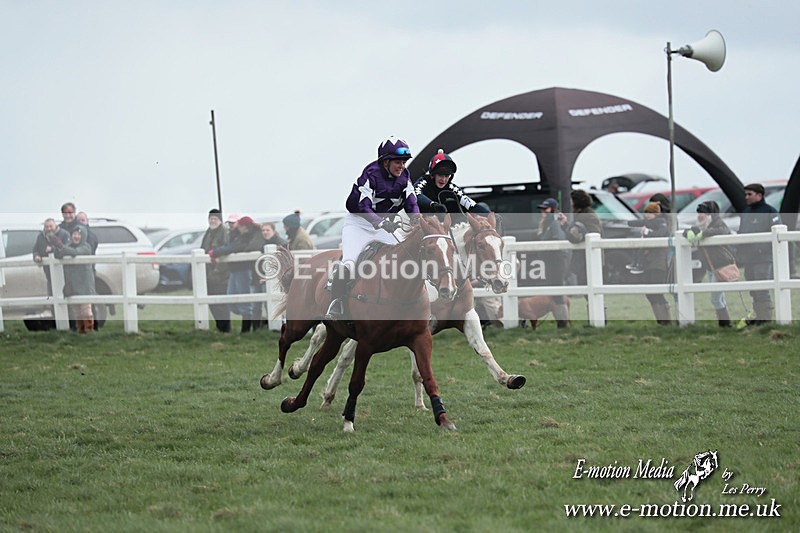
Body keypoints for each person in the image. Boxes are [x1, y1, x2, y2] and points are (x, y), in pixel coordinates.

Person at [325, 136, 421, 320]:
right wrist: (381, 222)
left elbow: (411, 202)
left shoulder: (405, 177)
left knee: (408, 256)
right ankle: (336, 303)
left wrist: (417, 220)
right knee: (349, 264)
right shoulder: (370, 174)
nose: (401, 166)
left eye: (403, 162)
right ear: (385, 162)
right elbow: (363, 206)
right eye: (398, 162)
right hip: (359, 225)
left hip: (385, 226)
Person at [684, 200, 735, 327]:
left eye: (702, 212)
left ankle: (725, 324)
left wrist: (704, 234)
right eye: (698, 212)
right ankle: (725, 325)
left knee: (715, 298)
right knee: (719, 297)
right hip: (710, 266)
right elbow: (690, 231)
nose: (699, 215)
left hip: (720, 265)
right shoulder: (702, 224)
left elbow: (723, 231)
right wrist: (688, 233)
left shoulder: (718, 223)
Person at [208, 215, 263, 333]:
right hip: (234, 269)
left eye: (234, 223)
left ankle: (246, 330)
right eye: (230, 223)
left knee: (245, 302)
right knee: (231, 300)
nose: (232, 226)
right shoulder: (237, 235)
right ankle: (255, 322)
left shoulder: (246, 236)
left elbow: (234, 247)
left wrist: (216, 252)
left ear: (243, 226)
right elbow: (230, 247)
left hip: (244, 269)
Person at [737, 182, 780, 325]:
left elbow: (777, 233)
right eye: (745, 194)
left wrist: (762, 248)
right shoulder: (745, 213)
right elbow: (741, 233)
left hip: (764, 259)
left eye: (749, 194)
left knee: (762, 289)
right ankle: (759, 317)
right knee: (753, 289)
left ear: (759, 195)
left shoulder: (770, 211)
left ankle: (766, 320)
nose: (746, 197)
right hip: (748, 258)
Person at [627, 202, 672, 325]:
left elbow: (661, 234)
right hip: (648, 262)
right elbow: (637, 223)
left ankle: (666, 321)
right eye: (646, 212)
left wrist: (646, 232)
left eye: (649, 213)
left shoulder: (661, 223)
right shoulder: (651, 223)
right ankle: (661, 321)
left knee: (657, 292)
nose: (647, 215)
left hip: (658, 263)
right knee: (650, 293)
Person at [413, 149, 490, 218]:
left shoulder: (452, 188)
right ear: (433, 175)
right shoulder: (424, 181)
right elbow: (416, 195)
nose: (443, 179)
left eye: (446, 176)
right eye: (440, 175)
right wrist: (433, 204)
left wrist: (490, 215)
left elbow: (471, 205)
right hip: (418, 220)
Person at [52, 225, 96, 333]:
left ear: (83, 236)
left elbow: (75, 252)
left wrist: (62, 247)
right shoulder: (68, 246)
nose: (76, 236)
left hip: (85, 285)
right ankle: (81, 332)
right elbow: (58, 254)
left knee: (86, 312)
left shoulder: (86, 247)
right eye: (74, 234)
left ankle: (89, 331)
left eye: (79, 234)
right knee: (77, 312)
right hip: (71, 285)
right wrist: (57, 247)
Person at [536, 198, 571, 328]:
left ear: (552, 209)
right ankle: (561, 322)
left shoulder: (553, 224)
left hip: (556, 263)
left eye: (545, 209)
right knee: (555, 292)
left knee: (557, 293)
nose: (542, 211)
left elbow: (558, 242)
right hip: (553, 262)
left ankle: (563, 323)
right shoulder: (550, 223)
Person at [201, 209, 231, 333]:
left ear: (220, 220)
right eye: (211, 218)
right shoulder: (208, 233)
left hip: (221, 275)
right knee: (211, 302)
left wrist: (219, 269)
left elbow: (226, 251)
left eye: (215, 219)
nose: (212, 221)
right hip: (209, 274)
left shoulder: (225, 232)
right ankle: (220, 327)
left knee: (221, 303)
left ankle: (226, 328)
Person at [32, 218, 70, 297]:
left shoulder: (64, 234)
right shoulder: (41, 237)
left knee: (64, 297)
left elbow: (67, 249)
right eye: (47, 227)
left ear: (55, 226)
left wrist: (52, 249)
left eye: (51, 226)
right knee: (52, 297)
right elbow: (35, 250)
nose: (49, 229)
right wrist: (36, 256)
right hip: (49, 273)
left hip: (64, 273)